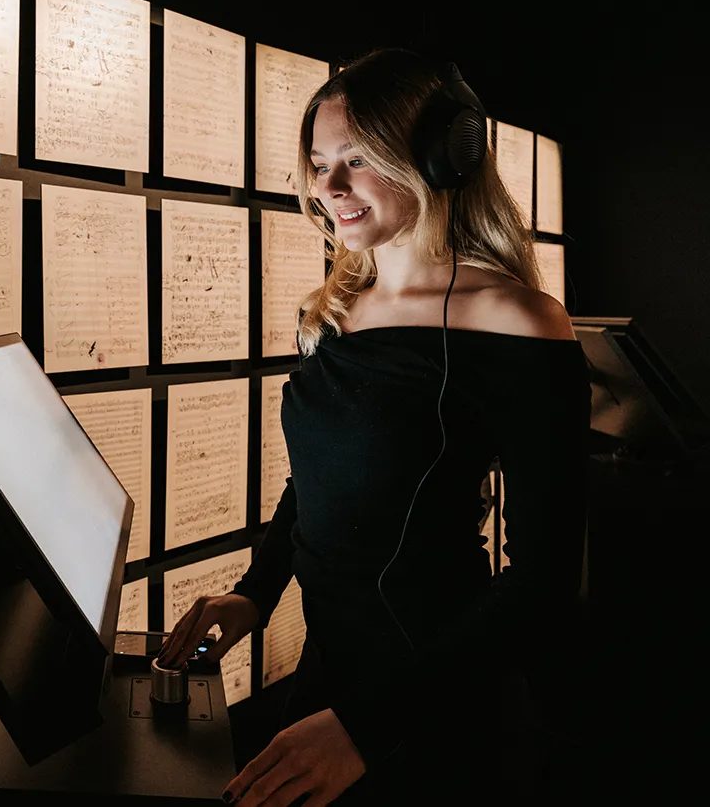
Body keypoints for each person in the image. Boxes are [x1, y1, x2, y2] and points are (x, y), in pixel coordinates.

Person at [158, 48, 590, 805]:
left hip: (438, 707)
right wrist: (256, 590)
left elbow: (544, 585)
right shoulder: (334, 311)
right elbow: (317, 481)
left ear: (440, 156)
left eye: (355, 159)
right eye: (320, 164)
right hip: (331, 689)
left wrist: (366, 725)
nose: (329, 188)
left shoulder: (521, 323)